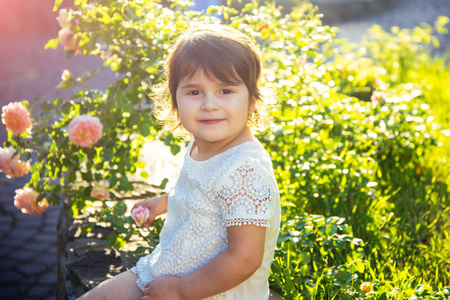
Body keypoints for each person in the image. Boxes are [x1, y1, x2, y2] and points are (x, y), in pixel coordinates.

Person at [77, 24, 280, 300]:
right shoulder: (201, 144)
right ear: (174, 100)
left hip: (210, 290)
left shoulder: (244, 169)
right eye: (194, 92)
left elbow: (244, 258)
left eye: (226, 91)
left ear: (253, 100)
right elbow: (201, 198)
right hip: (168, 271)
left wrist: (182, 290)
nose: (209, 104)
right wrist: (162, 202)